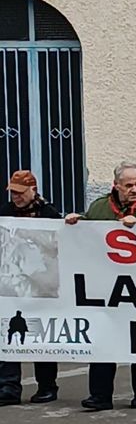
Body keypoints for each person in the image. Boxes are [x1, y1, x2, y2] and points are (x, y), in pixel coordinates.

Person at [64, 162, 136, 411]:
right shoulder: (99, 207)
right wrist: (78, 223)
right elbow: (89, 235)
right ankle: (100, 396)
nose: (135, 189)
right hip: (106, 286)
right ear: (116, 185)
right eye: (129, 185)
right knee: (103, 339)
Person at [0, 171, 60, 407]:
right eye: (12, 192)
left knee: (41, 337)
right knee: (7, 337)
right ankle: (8, 386)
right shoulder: (5, 213)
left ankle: (47, 386)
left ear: (32, 190)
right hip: (11, 285)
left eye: (20, 192)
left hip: (41, 285)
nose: (15, 197)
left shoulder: (49, 214)